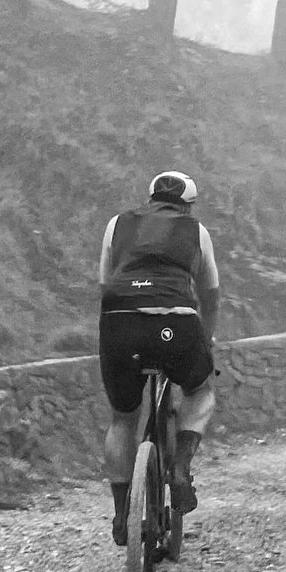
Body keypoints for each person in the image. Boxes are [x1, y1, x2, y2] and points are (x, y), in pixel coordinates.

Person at [98, 170, 221, 547]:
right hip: (176, 323)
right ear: (188, 205)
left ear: (149, 198)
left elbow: (105, 285)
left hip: (120, 321)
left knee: (122, 418)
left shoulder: (117, 225)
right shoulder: (195, 231)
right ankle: (180, 466)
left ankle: (123, 516)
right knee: (200, 391)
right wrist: (207, 338)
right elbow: (210, 293)